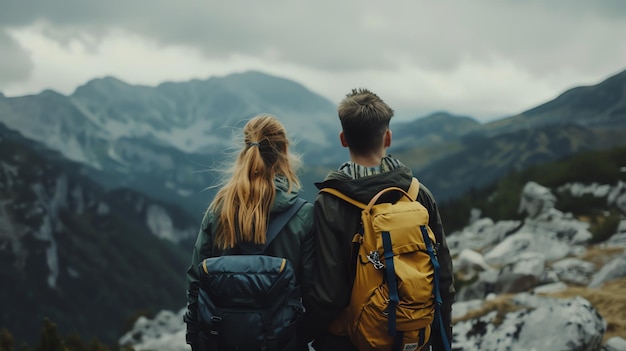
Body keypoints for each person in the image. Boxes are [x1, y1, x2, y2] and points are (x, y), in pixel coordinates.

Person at [308, 88, 455, 350]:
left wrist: (307, 332)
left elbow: (329, 294)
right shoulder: (418, 195)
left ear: (343, 139)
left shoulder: (328, 202)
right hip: (411, 334)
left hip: (348, 340)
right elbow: (442, 276)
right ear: (388, 137)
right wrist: (441, 339)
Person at [183, 114, 316, 351]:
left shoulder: (218, 211)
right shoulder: (303, 215)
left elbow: (196, 282)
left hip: (222, 340)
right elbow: (314, 291)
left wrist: (197, 339)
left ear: (245, 150)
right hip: (282, 342)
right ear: (284, 150)